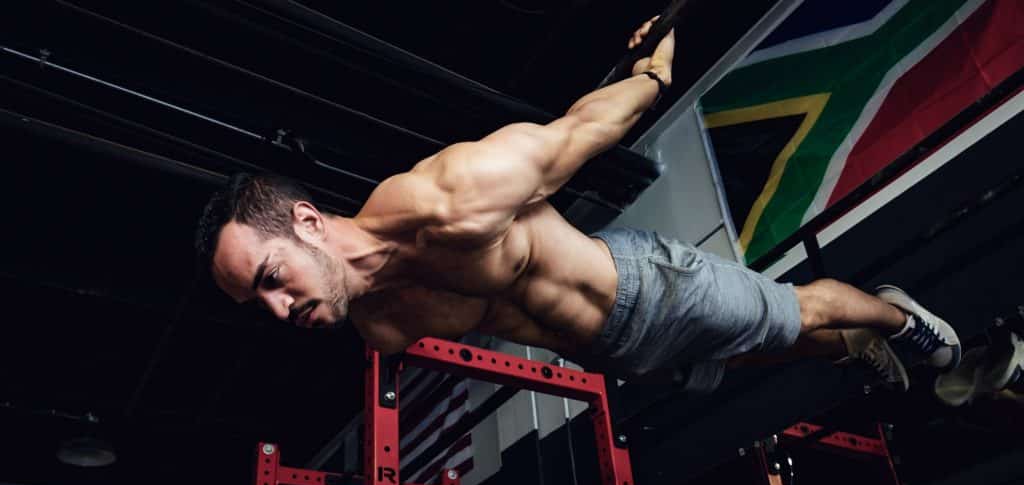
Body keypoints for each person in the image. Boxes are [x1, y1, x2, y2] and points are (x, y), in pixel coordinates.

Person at [195, 18, 960, 393]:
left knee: (803, 312)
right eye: (255, 302)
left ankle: (902, 318)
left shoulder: (447, 198)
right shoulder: (379, 326)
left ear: (304, 222)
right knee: (799, 346)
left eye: (269, 277)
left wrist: (651, 78)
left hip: (648, 290)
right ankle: (862, 337)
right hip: (618, 355)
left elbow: (582, 131)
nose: (276, 307)